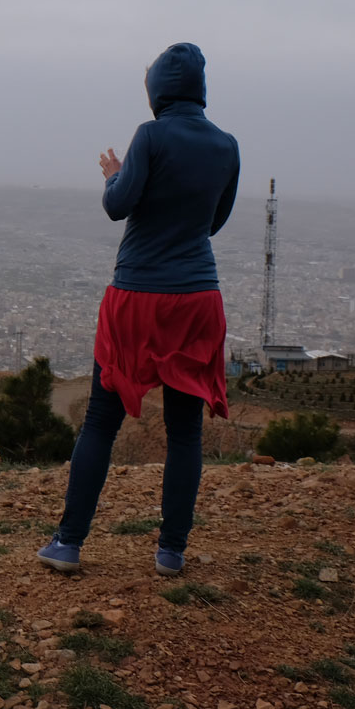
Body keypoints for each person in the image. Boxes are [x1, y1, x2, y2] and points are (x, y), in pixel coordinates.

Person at [37, 42, 241, 577]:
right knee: (185, 431)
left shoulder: (150, 135)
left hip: (139, 297)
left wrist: (115, 174)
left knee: (101, 423)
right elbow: (213, 222)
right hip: (198, 297)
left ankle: (68, 542)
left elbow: (116, 206)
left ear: (157, 91)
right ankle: (171, 552)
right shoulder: (227, 145)